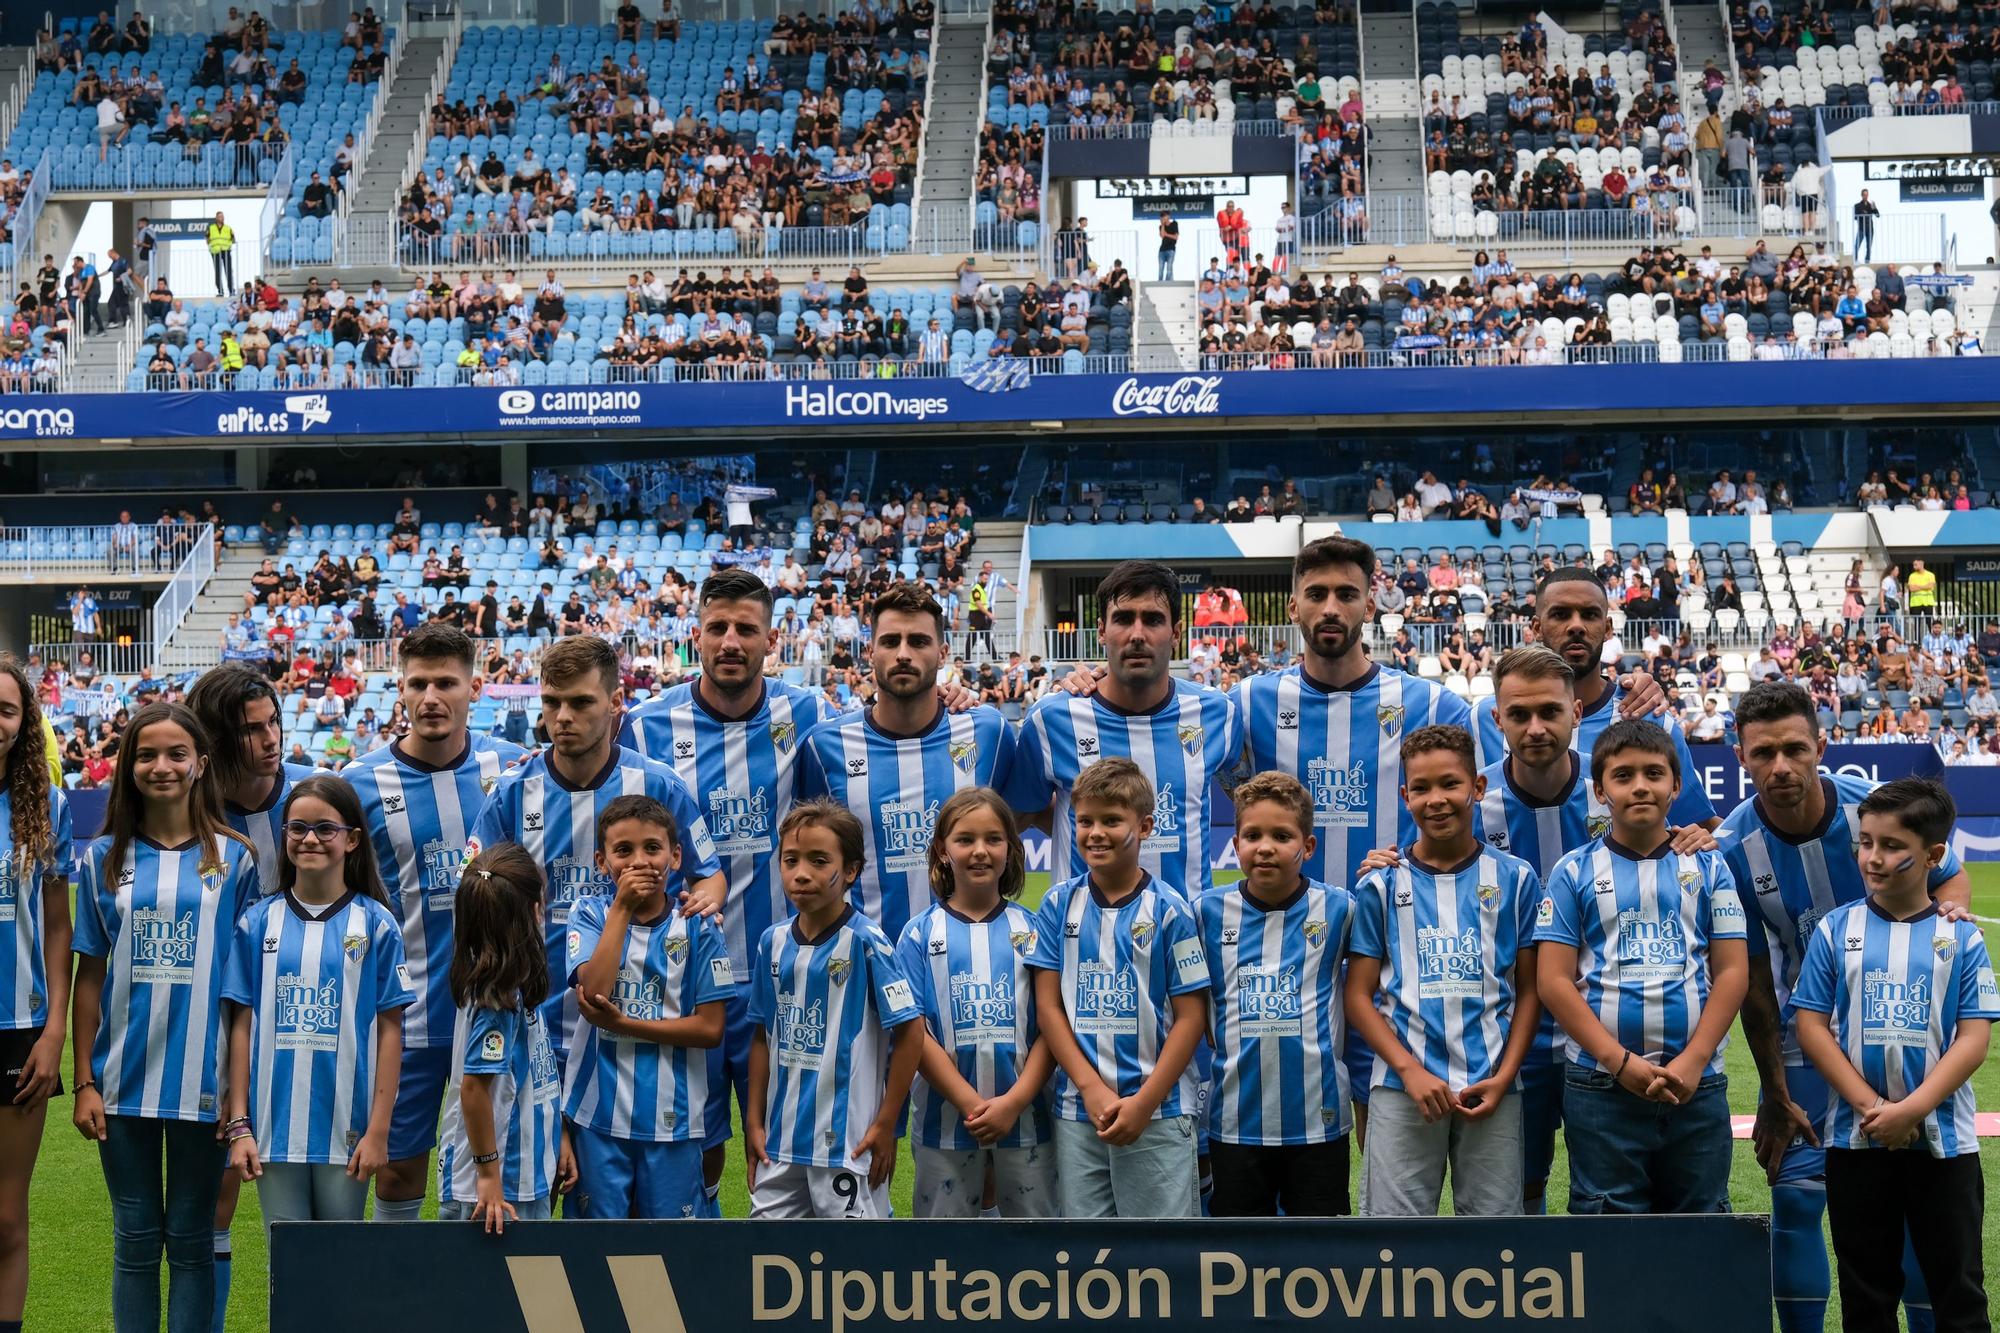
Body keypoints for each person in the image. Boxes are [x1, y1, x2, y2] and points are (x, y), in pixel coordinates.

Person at [1719, 682, 1969, 1333]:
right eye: (1763, 752)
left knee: (1914, 1199)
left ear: (1821, 747)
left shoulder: (1875, 810)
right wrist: (1773, 1090)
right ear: (1740, 756)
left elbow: (1950, 879)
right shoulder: (1730, 846)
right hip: (1806, 1042)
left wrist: (1950, 930)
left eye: (1795, 748)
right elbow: (1752, 979)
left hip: (1900, 1030)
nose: (1781, 766)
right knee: (1796, 1199)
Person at [615, 567, 828, 1208]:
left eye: (746, 629)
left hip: (782, 973)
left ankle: (777, 1261)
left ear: (772, 640)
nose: (731, 641)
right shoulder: (649, 725)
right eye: (718, 628)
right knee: (698, 1141)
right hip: (682, 979)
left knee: (785, 1137)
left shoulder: (811, 714)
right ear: (696, 636)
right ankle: (701, 1247)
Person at [71, 703, 257, 1333]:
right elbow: (89, 976)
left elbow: (241, 995)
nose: (162, 766)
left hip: (204, 1087)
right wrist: (85, 1081)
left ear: (201, 763)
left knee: (193, 1240)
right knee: (135, 1242)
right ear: (127, 768)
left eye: (177, 753)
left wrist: (237, 1095)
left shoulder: (238, 860)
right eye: (146, 755)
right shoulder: (101, 857)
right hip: (121, 1084)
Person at [470, 636, 724, 1086]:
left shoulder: (659, 784)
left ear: (615, 702)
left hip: (639, 1015)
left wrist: (701, 903)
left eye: (581, 702)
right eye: (552, 702)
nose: (563, 717)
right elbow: (474, 889)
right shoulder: (512, 792)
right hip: (536, 1018)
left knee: (689, 1146)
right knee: (543, 1156)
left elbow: (709, 876)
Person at [338, 624, 525, 1225]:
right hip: (409, 1009)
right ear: (400, 688)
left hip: (499, 1003)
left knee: (508, 1162)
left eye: (446, 682)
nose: (431, 697)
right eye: (418, 683)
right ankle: (402, 1302)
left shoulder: (512, 767)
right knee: (397, 1165)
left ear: (476, 686)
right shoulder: (359, 784)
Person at [1792, 779, 1994, 1333]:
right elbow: (1811, 1026)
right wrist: (1872, 1107)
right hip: (1857, 1141)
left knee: (1958, 1291)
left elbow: (1974, 1040)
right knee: (1866, 1293)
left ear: (1933, 856)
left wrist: (1913, 1109)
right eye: (1865, 842)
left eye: (1891, 846)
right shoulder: (1836, 930)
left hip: (1945, 1145)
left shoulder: (1962, 939)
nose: (1872, 858)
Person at [1534, 720, 1749, 1214]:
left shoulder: (1710, 867)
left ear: (1676, 786)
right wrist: (1618, 1061)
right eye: (1623, 775)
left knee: (1701, 1223)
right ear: (1600, 790)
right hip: (1600, 1084)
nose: (1639, 786)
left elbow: (1733, 971)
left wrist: (1694, 1061)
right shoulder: (1573, 870)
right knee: (1609, 1224)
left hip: (1697, 1083)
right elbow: (1553, 980)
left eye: (1654, 773)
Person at [1347, 726, 1540, 1217]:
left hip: (1492, 1087)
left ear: (1477, 788)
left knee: (1494, 1240)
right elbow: (1358, 996)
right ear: (1404, 796)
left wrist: (1506, 1075)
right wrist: (1409, 1070)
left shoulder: (1516, 879)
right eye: (1423, 789)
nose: (1437, 800)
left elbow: (1530, 990)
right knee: (1394, 1242)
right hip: (1402, 1086)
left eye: (1450, 785)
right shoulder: (1382, 884)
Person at [221, 777, 413, 1229]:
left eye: (326, 828)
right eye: (298, 827)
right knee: (287, 1266)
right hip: (273, 1129)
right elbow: (242, 1027)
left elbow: (390, 1031)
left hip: (347, 1131)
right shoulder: (256, 923)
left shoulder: (377, 924)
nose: (310, 838)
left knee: (339, 1266)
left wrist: (379, 1131)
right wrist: (240, 1125)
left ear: (352, 840)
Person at [1026, 758, 1207, 1218]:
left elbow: (1191, 1017)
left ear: (1144, 826)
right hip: (1078, 1108)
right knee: (1089, 1259)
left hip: (1158, 1111)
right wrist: (1089, 1088)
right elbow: (1049, 1009)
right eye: (1085, 820)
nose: (1096, 833)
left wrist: (1144, 1102)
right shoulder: (1056, 904)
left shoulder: (1170, 910)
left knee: (1159, 1258)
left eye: (1112, 820)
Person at [799, 581, 1016, 944]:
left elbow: (1022, 817)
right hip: (861, 964)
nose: (903, 654)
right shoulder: (825, 746)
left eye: (918, 641)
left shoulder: (989, 731)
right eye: (890, 641)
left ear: (943, 652)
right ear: (869, 651)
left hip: (968, 966)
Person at [1010, 561, 1241, 899]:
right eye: (1123, 618)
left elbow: (1250, 798)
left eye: (1152, 619)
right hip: (1082, 941)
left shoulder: (1217, 713)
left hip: (1187, 938)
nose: (1137, 634)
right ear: (1102, 630)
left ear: (1176, 633)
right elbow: (1020, 814)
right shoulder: (1052, 719)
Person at [744, 800, 922, 1218]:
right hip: (781, 1143)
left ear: (851, 871)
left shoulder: (868, 942)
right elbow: (760, 1034)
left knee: (855, 1269)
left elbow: (911, 1032)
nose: (801, 873)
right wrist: (754, 1120)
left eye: (819, 860)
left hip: (847, 1143)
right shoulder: (771, 942)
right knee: (767, 1262)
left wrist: (885, 1123)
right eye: (791, 860)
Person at [564, 795, 733, 1219]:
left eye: (652, 849)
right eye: (624, 852)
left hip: (672, 1119)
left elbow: (711, 1029)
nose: (639, 862)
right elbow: (593, 994)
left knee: (672, 1253)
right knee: (596, 1252)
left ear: (676, 857)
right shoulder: (589, 913)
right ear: (602, 862)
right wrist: (620, 907)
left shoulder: (698, 924)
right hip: (597, 1114)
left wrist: (627, 1024)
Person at [894, 788, 1055, 1218]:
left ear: (1012, 849)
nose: (979, 851)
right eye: (965, 840)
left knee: (1036, 1253)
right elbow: (915, 1034)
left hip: (1027, 1121)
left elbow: (1051, 1031)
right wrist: (969, 1102)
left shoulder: (1035, 930)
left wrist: (1014, 1101)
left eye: (993, 839)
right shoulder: (918, 934)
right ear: (942, 851)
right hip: (944, 1126)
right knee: (946, 1257)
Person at [1198, 772, 1354, 1217]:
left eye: (1281, 835)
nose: (1264, 846)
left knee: (1320, 1252)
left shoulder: (1341, 909)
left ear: (1308, 847)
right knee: (1240, 1257)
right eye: (1252, 835)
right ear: (1235, 845)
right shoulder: (1206, 912)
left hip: (1318, 1118)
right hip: (1235, 1119)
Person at [1472, 570, 1710, 835]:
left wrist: (1700, 839)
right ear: (1536, 628)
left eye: (1589, 614)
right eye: (1561, 614)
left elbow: (1699, 830)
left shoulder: (1649, 717)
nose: (1576, 626)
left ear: (1608, 628)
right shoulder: (1482, 721)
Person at [435, 842, 574, 1230]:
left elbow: (528, 1081)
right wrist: (488, 1175)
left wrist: (555, 1136)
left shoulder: (510, 984)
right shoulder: (496, 1001)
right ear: (534, 911)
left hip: (522, 1177)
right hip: (495, 1194)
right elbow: (474, 1090)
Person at [0, 656, 73, 1331]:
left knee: (5, 1215)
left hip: (18, 1029)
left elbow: (57, 924)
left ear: (25, 723)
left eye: (6, 709)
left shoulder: (44, 806)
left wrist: (54, 1030)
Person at [205, 211, 234, 296]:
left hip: (226, 251)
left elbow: (233, 239)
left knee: (228, 271)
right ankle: (220, 291)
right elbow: (207, 238)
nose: (222, 218)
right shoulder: (211, 228)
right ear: (216, 218)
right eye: (220, 216)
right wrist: (211, 247)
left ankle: (231, 290)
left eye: (223, 216)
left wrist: (228, 246)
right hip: (215, 252)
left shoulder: (228, 228)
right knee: (217, 272)